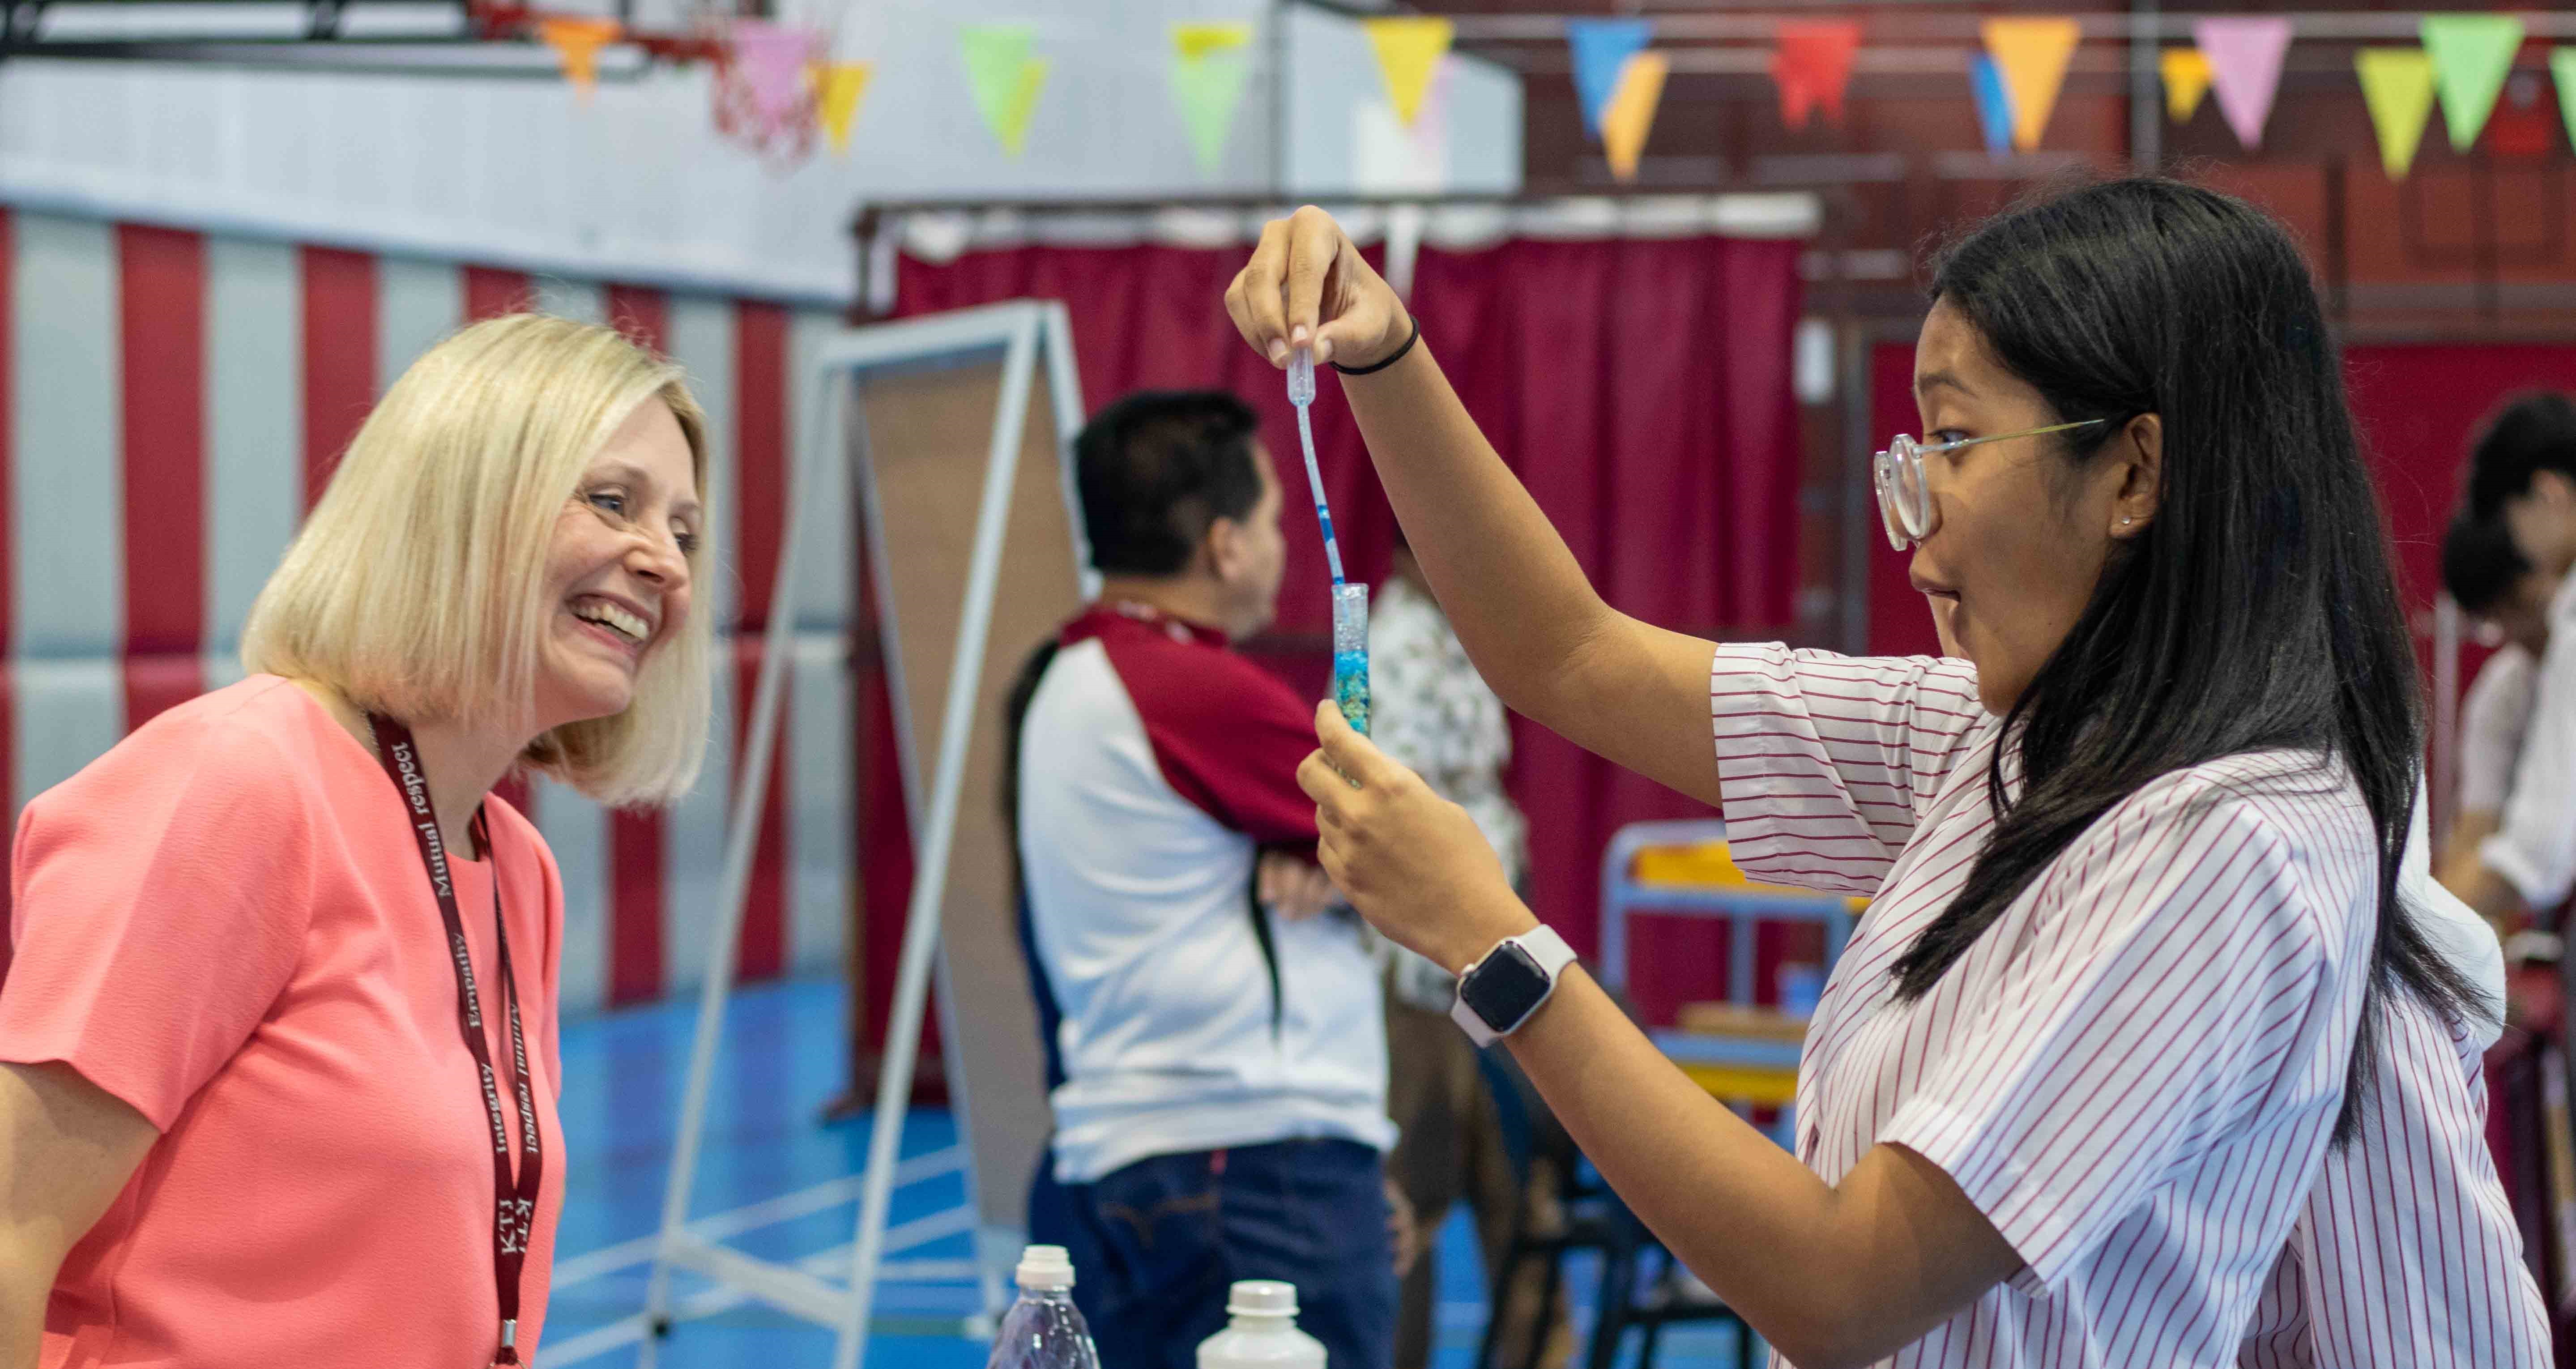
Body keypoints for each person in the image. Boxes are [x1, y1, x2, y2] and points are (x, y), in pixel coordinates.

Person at [1224, 179, 2525, 1367]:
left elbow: (1844, 1285)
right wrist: (1383, 351)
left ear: (2131, 470)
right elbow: (1566, 652)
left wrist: (1492, 942)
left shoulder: (2226, 843)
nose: (1913, 528)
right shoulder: (2017, 742)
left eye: (1952, 445)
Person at [0, 313, 712, 1369]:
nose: (665, 563)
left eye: (686, 532)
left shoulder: (520, 870)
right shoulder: (237, 784)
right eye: (613, 501)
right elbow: (13, 1231)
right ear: (465, 502)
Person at [1009, 390, 1398, 1369]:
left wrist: (1305, 842)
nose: (1280, 543)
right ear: (1223, 544)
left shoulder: (1085, 674)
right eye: (1271, 520)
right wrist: (1336, 844)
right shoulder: (1188, 690)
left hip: (1182, 1159)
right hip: (1252, 1170)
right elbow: (1410, 836)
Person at [1369, 536, 1568, 1369]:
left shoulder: (1462, 629)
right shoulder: (1393, 646)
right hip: (1426, 973)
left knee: (1522, 1185)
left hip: (1499, 950)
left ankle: (1537, 1352)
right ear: (1416, 554)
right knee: (1413, 1195)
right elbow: (1397, 811)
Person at [2439, 393, 2576, 940]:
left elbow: (2538, 848)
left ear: (2548, 494)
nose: (2517, 544)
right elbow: (2481, 832)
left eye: (2511, 522)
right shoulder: (2511, 683)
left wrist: (2420, 936)